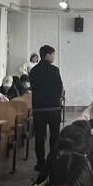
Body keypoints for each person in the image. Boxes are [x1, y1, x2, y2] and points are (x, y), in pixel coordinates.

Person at [30, 45, 65, 178]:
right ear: (47, 55)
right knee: (54, 136)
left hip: (38, 109)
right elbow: (59, 87)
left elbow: (33, 88)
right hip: (53, 108)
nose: (54, 57)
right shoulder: (55, 70)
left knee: (40, 137)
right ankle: (53, 161)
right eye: (53, 54)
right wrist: (56, 99)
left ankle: (40, 163)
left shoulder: (33, 71)